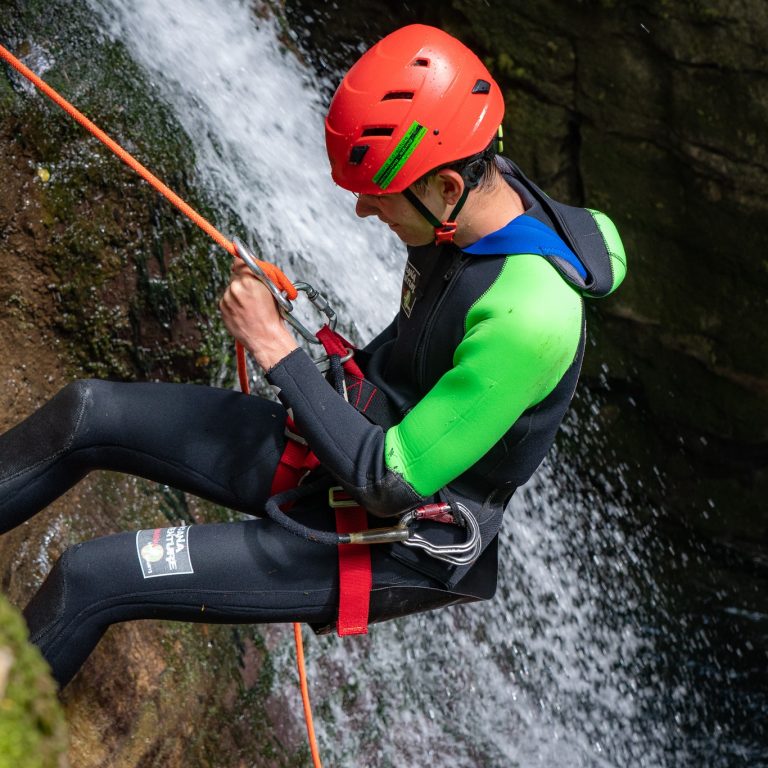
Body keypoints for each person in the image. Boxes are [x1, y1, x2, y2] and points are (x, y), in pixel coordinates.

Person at [2, 24, 625, 688]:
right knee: (86, 414)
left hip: (395, 536)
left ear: (447, 187)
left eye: (377, 195)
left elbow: (392, 484)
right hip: (346, 445)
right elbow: (413, 352)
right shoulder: (475, 203)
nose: (360, 210)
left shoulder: (530, 313)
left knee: (93, 577)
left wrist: (275, 345)